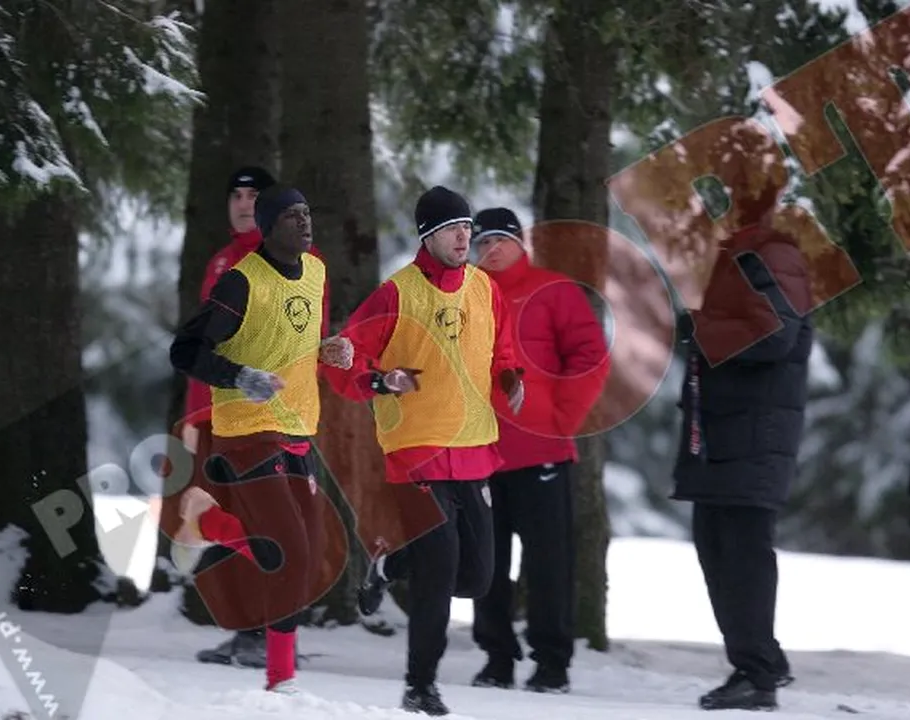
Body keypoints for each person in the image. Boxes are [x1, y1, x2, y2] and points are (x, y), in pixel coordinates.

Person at [323, 186, 525, 716]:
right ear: (427, 235)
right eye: (453, 229)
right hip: (416, 453)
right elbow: (344, 364)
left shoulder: (484, 289)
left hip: (475, 449)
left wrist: (510, 375)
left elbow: (503, 346)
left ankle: (390, 567)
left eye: (467, 228)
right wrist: (379, 380)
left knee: (477, 577)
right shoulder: (396, 294)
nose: (465, 237)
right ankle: (420, 686)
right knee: (441, 568)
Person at [168, 185, 354, 694]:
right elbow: (185, 351)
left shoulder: (315, 272)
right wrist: (239, 377)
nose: (305, 222)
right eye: (293, 216)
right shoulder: (240, 284)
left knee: (305, 558)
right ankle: (281, 681)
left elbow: (294, 342)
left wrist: (327, 351)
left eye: (308, 212)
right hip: (247, 431)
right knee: (288, 549)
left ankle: (209, 522)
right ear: (268, 227)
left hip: (298, 427)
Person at [465, 207, 610, 693]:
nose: (492, 249)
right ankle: (496, 658)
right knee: (486, 565)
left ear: (520, 244)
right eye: (483, 241)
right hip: (476, 453)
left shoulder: (552, 290)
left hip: (540, 455)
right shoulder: (463, 294)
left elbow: (590, 355)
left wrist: (559, 421)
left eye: (501, 240)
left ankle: (552, 664)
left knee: (549, 565)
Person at [672, 214, 812, 711]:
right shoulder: (737, 261)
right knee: (717, 548)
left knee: (743, 555)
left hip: (754, 438)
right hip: (725, 437)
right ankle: (757, 664)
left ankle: (759, 672)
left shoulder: (777, 257)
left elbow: (776, 336)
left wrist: (703, 326)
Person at [174, 165, 276, 668]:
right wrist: (195, 415)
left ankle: (268, 635)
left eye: (253, 195)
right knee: (228, 520)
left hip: (265, 415)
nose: (241, 203)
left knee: (263, 522)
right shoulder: (219, 262)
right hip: (217, 415)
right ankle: (245, 631)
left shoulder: (290, 259)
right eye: (235, 194)